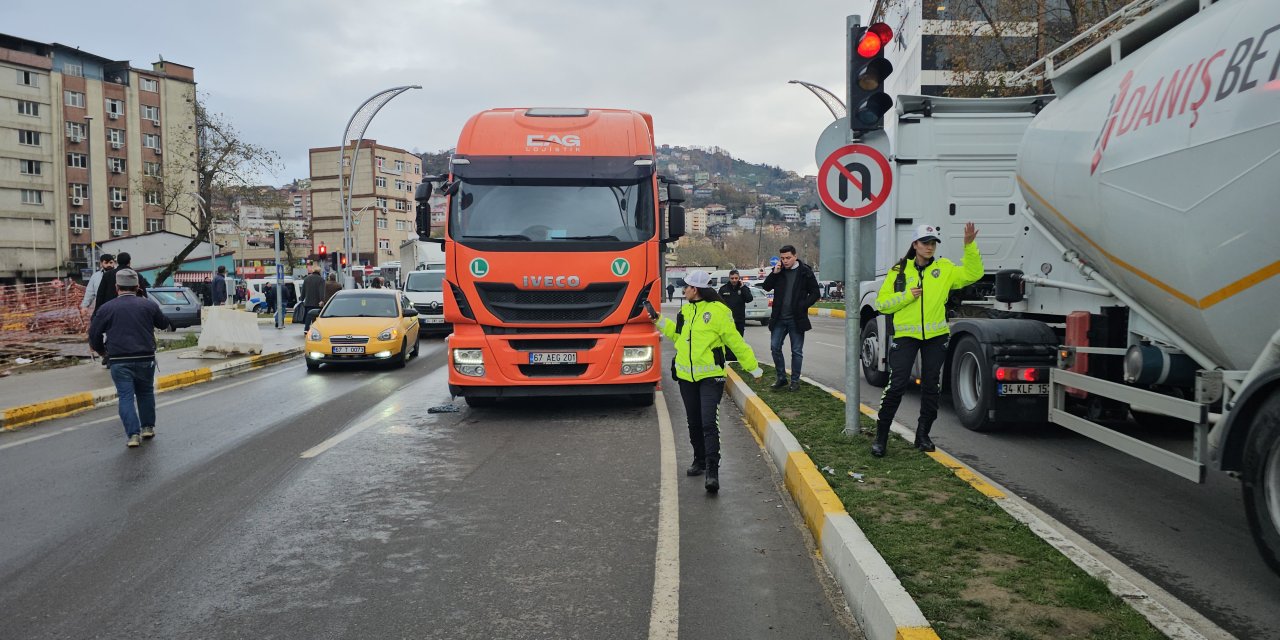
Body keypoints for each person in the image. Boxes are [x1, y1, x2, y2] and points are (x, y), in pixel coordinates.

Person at [872, 223, 983, 457]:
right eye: (925, 242)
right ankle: (881, 437)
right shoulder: (899, 271)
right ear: (915, 245)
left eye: (933, 243)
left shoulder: (945, 269)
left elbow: (974, 274)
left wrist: (969, 246)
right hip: (905, 336)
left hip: (936, 336)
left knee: (932, 386)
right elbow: (882, 303)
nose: (929, 247)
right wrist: (906, 296)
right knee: (897, 384)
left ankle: (923, 435)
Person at [652, 270, 763, 493]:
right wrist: (658, 320)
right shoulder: (686, 310)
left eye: (687, 287)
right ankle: (699, 460)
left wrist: (753, 368)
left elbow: (735, 341)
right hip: (686, 377)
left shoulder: (719, 311)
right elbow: (678, 336)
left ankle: (713, 471)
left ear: (696, 289)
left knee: (708, 422)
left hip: (711, 376)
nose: (684, 290)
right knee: (693, 422)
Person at [87, 268, 173, 448]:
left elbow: (94, 335)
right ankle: (148, 427)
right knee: (145, 392)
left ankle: (133, 435)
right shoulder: (148, 305)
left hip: (119, 360)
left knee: (126, 397)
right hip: (145, 358)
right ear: (137, 286)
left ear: (116, 287)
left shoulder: (106, 308)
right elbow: (164, 323)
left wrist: (103, 353)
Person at [761, 244, 821, 391]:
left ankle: (795, 381)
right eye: (782, 258)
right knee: (775, 347)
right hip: (779, 318)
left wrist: (803, 305)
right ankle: (781, 378)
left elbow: (815, 293)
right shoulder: (779, 271)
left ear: (795, 256)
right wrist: (774, 273)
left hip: (797, 318)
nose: (785, 261)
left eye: (788, 258)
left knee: (796, 351)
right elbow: (766, 287)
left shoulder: (805, 272)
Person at [300, 262, 325, 332]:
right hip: (317, 302)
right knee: (316, 316)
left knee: (308, 316)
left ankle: (306, 329)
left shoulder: (306, 279)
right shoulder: (321, 280)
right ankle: (315, 330)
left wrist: (301, 299)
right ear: (319, 271)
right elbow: (321, 291)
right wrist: (322, 300)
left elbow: (303, 290)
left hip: (308, 302)